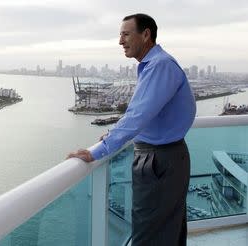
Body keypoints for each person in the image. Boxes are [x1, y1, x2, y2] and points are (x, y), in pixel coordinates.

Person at [67, 13, 196, 246]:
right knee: (168, 231)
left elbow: (137, 115)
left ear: (146, 35)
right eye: (120, 35)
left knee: (149, 233)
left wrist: (99, 150)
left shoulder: (160, 66)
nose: (120, 41)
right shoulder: (155, 65)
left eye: (126, 34)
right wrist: (113, 133)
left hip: (159, 161)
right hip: (166, 157)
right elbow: (141, 113)